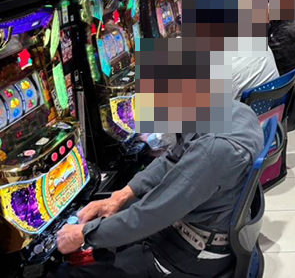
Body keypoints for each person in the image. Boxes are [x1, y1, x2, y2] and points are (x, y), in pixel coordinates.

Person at [51, 100, 264, 278]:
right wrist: (121, 195)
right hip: (201, 229)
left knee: (68, 273)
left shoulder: (214, 151)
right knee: (119, 221)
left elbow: (150, 216)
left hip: (191, 255)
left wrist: (83, 234)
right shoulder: (234, 111)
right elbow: (171, 159)